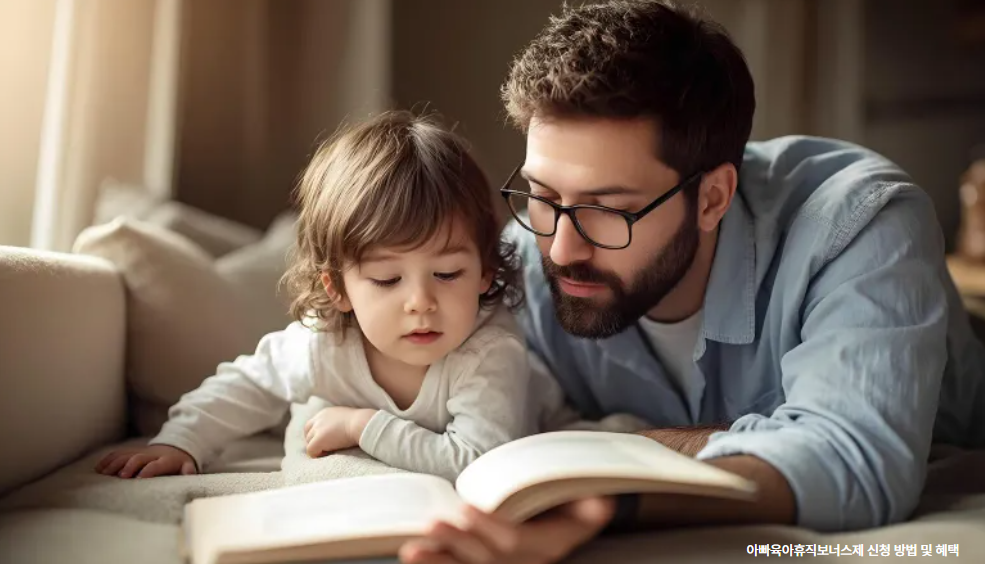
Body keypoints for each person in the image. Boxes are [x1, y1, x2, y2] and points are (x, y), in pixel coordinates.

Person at [399, 1, 985, 563]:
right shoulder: (529, 254)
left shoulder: (860, 223)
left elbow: (852, 461)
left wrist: (613, 496)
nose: (560, 247)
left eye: (609, 210)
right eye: (544, 196)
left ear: (712, 199)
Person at [94, 110, 536, 483]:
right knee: (303, 407)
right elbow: (248, 384)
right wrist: (180, 441)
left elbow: (477, 461)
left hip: (529, 416)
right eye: (386, 279)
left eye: (447, 273)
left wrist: (363, 426)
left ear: (485, 274)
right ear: (338, 288)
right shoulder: (325, 343)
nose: (420, 301)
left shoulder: (489, 353)